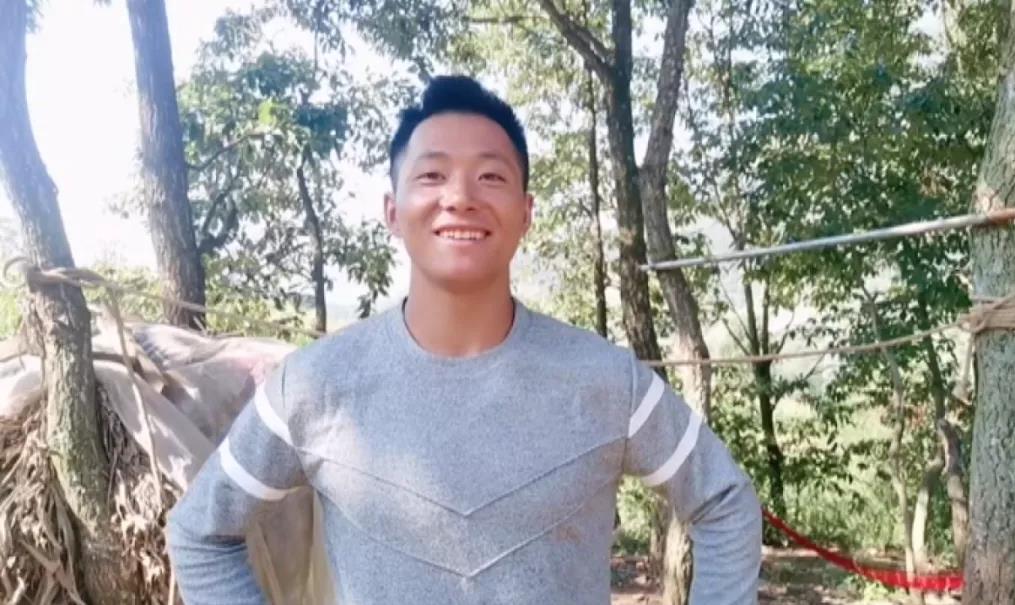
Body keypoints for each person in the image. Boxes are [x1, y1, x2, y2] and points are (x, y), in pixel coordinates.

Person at [166, 75, 762, 604]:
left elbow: (725, 503)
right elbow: (199, 533)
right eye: (432, 175)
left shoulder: (608, 381)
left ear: (525, 213)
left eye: (491, 176)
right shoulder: (313, 386)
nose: (461, 197)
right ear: (393, 210)